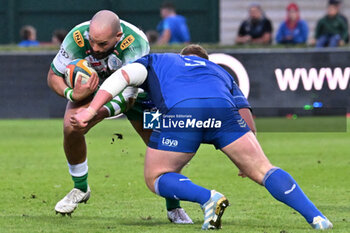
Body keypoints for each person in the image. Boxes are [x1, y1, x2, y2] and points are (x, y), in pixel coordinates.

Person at [71, 44, 333, 230]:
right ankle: (317, 218)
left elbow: (122, 77)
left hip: (184, 112)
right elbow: (245, 115)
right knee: (264, 170)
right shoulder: (220, 71)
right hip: (223, 112)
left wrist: (91, 111)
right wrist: (248, 156)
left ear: (181, 55)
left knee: (157, 177)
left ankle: (208, 198)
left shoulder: (158, 61)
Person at [47, 10, 192, 224]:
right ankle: (80, 188)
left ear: (118, 37)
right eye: (93, 42)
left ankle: (174, 207)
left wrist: (93, 113)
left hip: (138, 93)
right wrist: (72, 94)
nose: (95, 49)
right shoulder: (77, 37)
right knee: (71, 127)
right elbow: (53, 76)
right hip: (94, 89)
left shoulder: (136, 43)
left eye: (103, 45)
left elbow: (128, 99)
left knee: (164, 147)